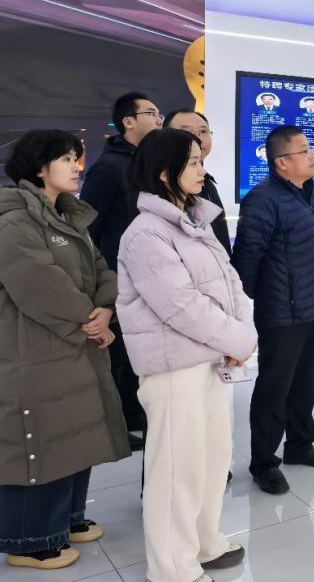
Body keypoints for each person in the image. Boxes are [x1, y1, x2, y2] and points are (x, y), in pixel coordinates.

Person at [117, 129, 257, 582]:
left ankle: (203, 542)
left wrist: (242, 335)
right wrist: (236, 340)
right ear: (164, 173)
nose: (202, 169)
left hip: (210, 359)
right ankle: (172, 567)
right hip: (173, 366)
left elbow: (231, 282)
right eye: (193, 161)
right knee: (176, 470)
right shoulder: (145, 234)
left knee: (212, 459)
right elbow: (180, 305)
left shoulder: (195, 222)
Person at [0, 130, 129, 571]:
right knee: (42, 442)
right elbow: (40, 285)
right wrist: (89, 322)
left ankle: (67, 520)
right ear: (40, 168)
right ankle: (31, 541)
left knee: (75, 435)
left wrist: (105, 309)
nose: (78, 167)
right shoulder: (14, 220)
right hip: (35, 351)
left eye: (78, 158)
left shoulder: (67, 215)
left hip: (72, 345)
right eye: (68, 159)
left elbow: (101, 269)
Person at [232, 126, 314, 495]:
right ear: (281, 162)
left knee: (308, 383)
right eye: (304, 150)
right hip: (282, 313)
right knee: (274, 390)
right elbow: (246, 260)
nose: (312, 156)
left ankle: (300, 445)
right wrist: (271, 296)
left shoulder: (312, 192)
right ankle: (264, 462)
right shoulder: (262, 199)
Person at [80, 91, 163, 450]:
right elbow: (87, 227)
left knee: (137, 351)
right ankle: (115, 422)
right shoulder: (110, 167)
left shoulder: (147, 162)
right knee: (116, 354)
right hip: (116, 277)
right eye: (151, 113)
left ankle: (132, 412)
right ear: (128, 121)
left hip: (148, 274)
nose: (158, 119)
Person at [164, 110, 230, 255]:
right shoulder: (164, 185)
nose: (197, 137)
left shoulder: (207, 181)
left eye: (204, 131)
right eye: (187, 131)